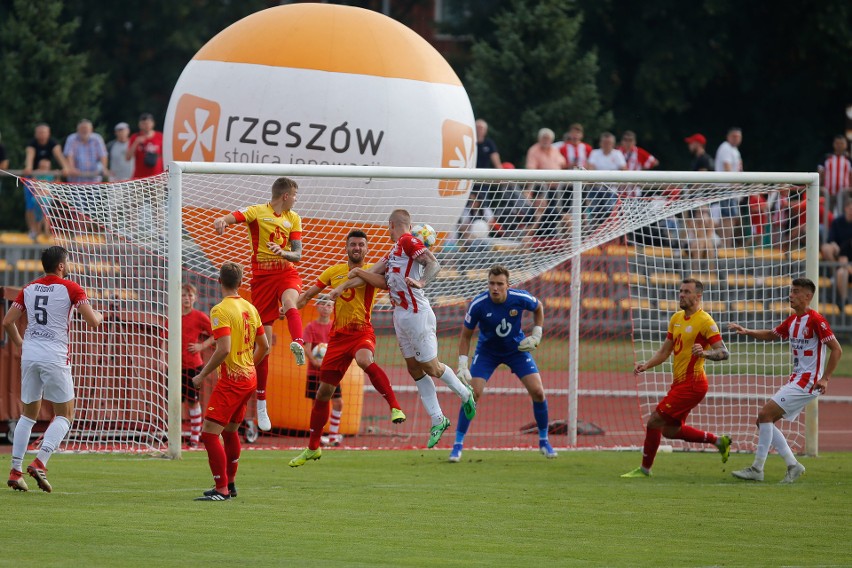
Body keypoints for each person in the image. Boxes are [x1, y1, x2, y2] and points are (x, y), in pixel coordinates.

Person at [332, 209, 475, 449]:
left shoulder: (408, 241)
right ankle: (438, 419)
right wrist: (344, 285)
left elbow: (433, 264)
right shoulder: (393, 252)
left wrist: (421, 282)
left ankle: (465, 393)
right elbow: (371, 277)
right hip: (400, 315)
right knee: (414, 369)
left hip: (417, 313)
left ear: (392, 225)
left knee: (431, 367)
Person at [289, 230, 406, 466]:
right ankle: (313, 447)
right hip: (338, 338)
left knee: (365, 360)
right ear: (346, 247)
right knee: (323, 393)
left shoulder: (373, 270)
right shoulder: (333, 272)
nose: (357, 248)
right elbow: (310, 294)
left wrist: (345, 285)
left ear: (367, 249)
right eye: (353, 244)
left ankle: (395, 407)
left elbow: (384, 284)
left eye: (361, 245)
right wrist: (290, 308)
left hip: (362, 331)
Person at [4, 246, 104, 492]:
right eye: (67, 262)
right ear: (61, 265)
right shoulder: (72, 288)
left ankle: (15, 471)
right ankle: (40, 462)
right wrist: (100, 316)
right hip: (54, 356)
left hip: (30, 356)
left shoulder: (28, 288)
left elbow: (7, 322)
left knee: (28, 415)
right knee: (65, 414)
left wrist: (21, 344)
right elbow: (92, 321)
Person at [213, 176, 306, 432]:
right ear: (285, 195)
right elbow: (236, 216)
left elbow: (297, 254)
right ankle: (262, 402)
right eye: (295, 195)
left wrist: (283, 253)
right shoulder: (258, 212)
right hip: (262, 277)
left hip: (285, 270)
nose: (296, 200)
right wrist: (222, 220)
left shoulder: (294, 218)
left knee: (290, 301)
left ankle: (298, 342)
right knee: (262, 345)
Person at [728, 278, 842, 483]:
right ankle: (792, 465)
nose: (791, 295)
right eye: (791, 291)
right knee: (763, 420)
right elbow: (772, 335)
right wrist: (748, 331)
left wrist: (825, 378)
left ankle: (757, 469)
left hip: (809, 382)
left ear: (808, 296)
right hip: (797, 379)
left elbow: (837, 349)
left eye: (796, 292)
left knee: (764, 414)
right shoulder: (792, 321)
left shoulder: (816, 320)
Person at [621, 278, 732, 478]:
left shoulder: (705, 321)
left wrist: (705, 354)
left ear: (698, 296)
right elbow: (665, 352)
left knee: (654, 421)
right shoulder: (676, 318)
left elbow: (724, 353)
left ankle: (645, 469)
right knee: (670, 431)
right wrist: (646, 365)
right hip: (680, 384)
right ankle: (718, 441)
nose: (681, 295)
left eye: (687, 292)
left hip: (693, 384)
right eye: (680, 291)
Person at [451, 264, 556, 462]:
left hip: (516, 350)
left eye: (500, 284)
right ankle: (457, 445)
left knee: (539, 392)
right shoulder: (478, 304)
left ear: (508, 285)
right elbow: (465, 336)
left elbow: (539, 307)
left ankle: (544, 441)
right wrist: (462, 364)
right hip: (487, 352)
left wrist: (537, 334)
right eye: (491, 283)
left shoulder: (520, 298)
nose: (495, 288)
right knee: (472, 395)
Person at [192, 262, 269, 501]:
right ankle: (231, 484)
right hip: (249, 378)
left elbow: (223, 349)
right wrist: (249, 366)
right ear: (241, 283)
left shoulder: (220, 310)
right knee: (230, 430)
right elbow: (265, 347)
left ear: (219, 282)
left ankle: (221, 489)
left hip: (233, 380)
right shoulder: (250, 307)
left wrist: (202, 374)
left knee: (209, 434)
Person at [302, 297, 343, 446]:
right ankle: (317, 437)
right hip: (315, 373)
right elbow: (306, 347)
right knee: (317, 405)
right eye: (323, 305)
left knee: (338, 402)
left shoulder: (335, 326)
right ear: (317, 307)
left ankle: (333, 436)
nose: (326, 308)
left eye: (329, 305)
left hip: (331, 372)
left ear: (333, 308)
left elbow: (339, 346)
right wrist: (315, 362)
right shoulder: (311, 327)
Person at [181, 283, 214, 447]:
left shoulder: (200, 316)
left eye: (189, 295)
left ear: (194, 298)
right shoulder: (173, 316)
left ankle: (195, 438)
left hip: (193, 366)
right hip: (175, 367)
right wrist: (162, 358)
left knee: (193, 401)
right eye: (183, 295)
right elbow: (166, 338)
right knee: (175, 401)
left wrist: (201, 346)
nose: (186, 298)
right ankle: (175, 435)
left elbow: (215, 334)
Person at [714, 127, 745, 248]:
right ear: (728, 136)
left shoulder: (735, 150)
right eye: (734, 136)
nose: (736, 139)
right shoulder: (725, 147)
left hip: (732, 189)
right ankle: (725, 244)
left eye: (739, 137)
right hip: (726, 188)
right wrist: (735, 185)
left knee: (732, 217)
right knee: (728, 217)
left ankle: (726, 243)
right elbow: (726, 166)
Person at [819, 196, 852, 308]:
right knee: (827, 248)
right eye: (850, 208)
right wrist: (835, 245)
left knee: (843, 271)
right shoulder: (837, 222)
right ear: (846, 208)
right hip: (841, 255)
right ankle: (844, 301)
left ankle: (844, 300)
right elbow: (830, 239)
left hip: (846, 257)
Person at [64, 119, 110, 183]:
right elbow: (69, 155)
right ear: (78, 130)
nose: (84, 130)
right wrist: (72, 168)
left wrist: (104, 168)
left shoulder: (97, 139)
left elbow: (103, 155)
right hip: (76, 181)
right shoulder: (71, 139)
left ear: (91, 130)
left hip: (94, 180)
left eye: (86, 128)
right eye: (82, 128)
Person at [819, 135, 851, 215]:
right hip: (829, 193)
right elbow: (820, 173)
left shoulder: (849, 160)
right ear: (834, 144)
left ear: (845, 145)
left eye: (841, 143)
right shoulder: (827, 158)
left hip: (844, 192)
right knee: (827, 215)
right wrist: (819, 187)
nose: (839, 145)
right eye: (837, 143)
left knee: (844, 214)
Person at [126, 112, 164, 179]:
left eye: (148, 123)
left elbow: (165, 156)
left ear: (153, 123)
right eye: (143, 123)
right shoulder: (135, 137)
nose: (146, 125)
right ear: (139, 125)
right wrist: (136, 143)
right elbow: (128, 157)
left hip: (157, 178)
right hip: (140, 179)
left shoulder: (160, 137)